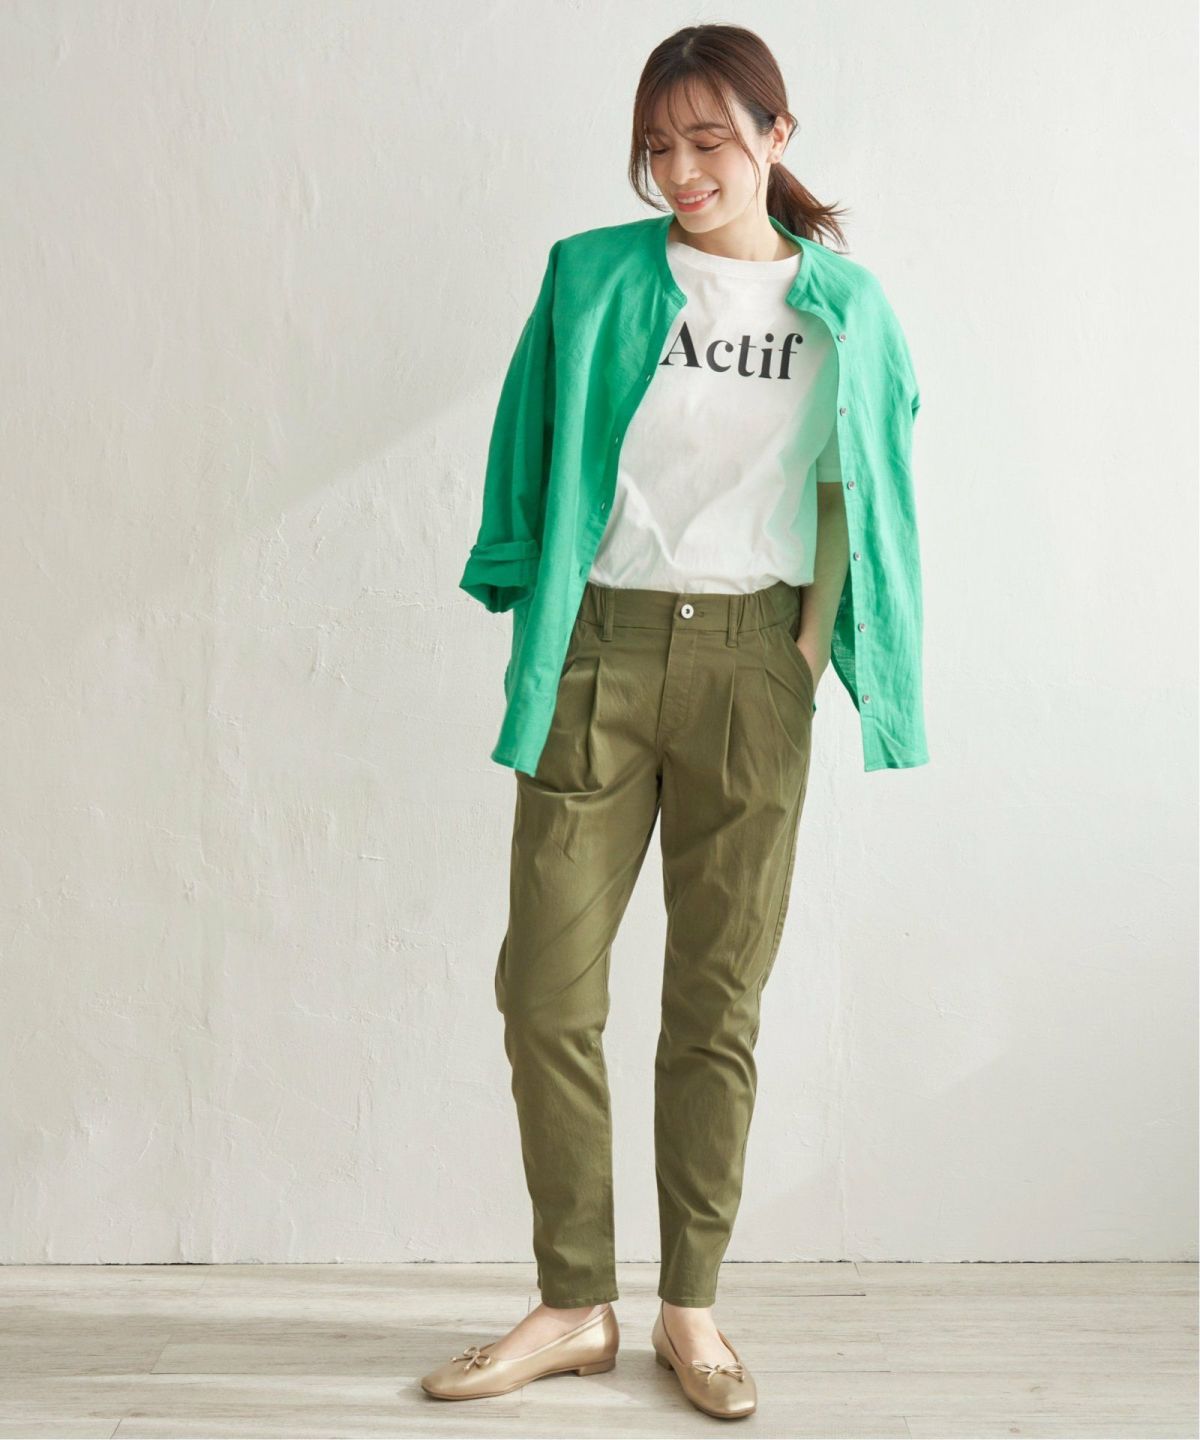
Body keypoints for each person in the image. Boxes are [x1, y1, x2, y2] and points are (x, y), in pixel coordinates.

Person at [422, 22, 927, 1421]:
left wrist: (828, 656)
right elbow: (529, 436)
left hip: (757, 664)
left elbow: (872, 482)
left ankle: (689, 1309)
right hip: (600, 649)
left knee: (717, 1003)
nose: (681, 170)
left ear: (776, 135)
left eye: (710, 140)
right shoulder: (590, 274)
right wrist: (518, 586)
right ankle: (574, 1303)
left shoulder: (848, 309)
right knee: (545, 993)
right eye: (659, 145)